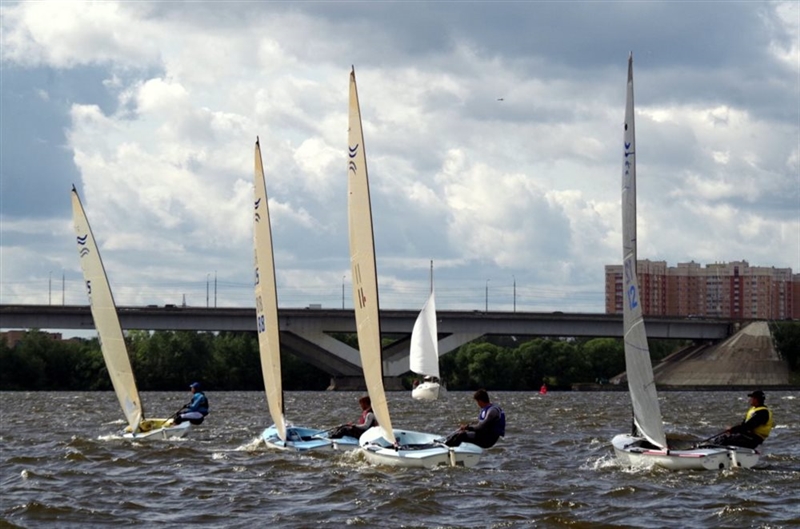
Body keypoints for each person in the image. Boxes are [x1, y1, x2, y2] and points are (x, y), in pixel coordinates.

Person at [708, 389, 773, 449]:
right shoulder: (754, 409)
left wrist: (732, 430)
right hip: (748, 436)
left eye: (752, 398)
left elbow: (748, 427)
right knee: (722, 438)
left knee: (724, 440)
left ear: (756, 399)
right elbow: (744, 425)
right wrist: (733, 431)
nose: (750, 400)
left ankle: (714, 453)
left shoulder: (763, 412)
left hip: (754, 439)